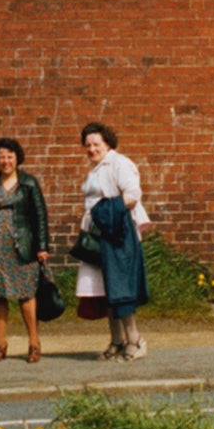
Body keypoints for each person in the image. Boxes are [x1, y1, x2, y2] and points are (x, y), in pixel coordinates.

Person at [0, 136, 50, 361]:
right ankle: (0, 345)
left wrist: (42, 246)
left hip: (23, 247)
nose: (6, 161)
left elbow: (40, 216)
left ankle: (34, 344)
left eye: (10, 156)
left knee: (26, 295)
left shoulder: (29, 183)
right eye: (1, 157)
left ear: (17, 159)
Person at [78, 120, 152, 359]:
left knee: (120, 289)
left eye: (96, 144)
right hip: (99, 235)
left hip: (118, 234)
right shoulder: (95, 169)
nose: (91, 149)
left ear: (107, 142)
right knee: (104, 290)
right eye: (87, 145)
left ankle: (135, 340)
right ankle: (117, 340)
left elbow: (132, 195)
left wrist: (104, 212)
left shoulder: (120, 164)